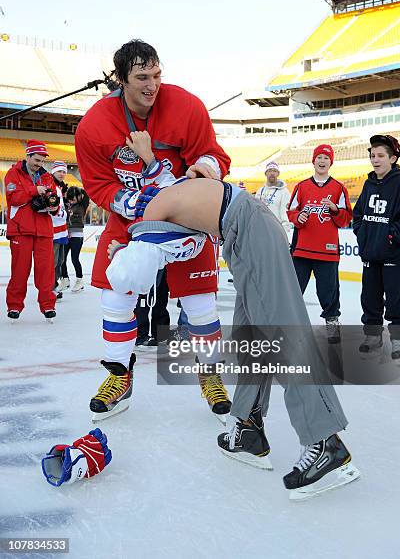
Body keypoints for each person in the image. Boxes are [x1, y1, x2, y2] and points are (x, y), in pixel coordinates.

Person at [106, 130, 360, 500]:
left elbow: (135, 273)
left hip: (248, 227)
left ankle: (326, 442)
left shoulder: (157, 203)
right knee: (253, 338)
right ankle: (248, 428)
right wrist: (146, 163)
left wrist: (122, 253)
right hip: (243, 231)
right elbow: (163, 194)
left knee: (281, 335)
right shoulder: (172, 189)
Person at [75, 39, 232, 422]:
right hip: (128, 221)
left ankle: (210, 375)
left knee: (200, 306)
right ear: (120, 80)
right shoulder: (94, 124)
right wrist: (136, 205)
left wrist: (205, 170)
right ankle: (119, 376)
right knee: (116, 298)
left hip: (185, 220)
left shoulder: (186, 105)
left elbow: (214, 155)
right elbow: (98, 185)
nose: (152, 85)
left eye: (157, 75)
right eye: (142, 77)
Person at [287, 144, 352, 343]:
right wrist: (300, 217)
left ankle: (332, 322)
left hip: (327, 251)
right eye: (319, 157)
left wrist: (334, 209)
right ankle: (291, 325)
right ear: (313, 161)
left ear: (331, 162)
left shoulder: (338, 188)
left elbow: (345, 219)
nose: (322, 161)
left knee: (329, 291)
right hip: (302, 250)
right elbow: (291, 212)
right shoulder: (302, 186)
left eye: (326, 158)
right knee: (294, 290)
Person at [353, 134, 400, 359]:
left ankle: (398, 340)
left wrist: (391, 237)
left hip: (394, 254)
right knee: (370, 298)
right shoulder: (368, 183)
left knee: (396, 300)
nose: (375, 159)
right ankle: (373, 336)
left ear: (393, 158)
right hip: (371, 253)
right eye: (372, 155)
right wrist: (362, 233)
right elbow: (358, 214)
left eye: (381, 156)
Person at [4, 140, 58, 320]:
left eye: (42, 161)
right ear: (27, 156)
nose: (39, 164)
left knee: (46, 271)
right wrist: (34, 190)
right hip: (21, 229)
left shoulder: (48, 177)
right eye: (36, 160)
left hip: (43, 229)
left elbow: (53, 199)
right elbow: (13, 198)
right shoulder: (13, 173)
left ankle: (48, 305)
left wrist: (53, 206)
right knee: (20, 271)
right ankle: (14, 306)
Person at [61, 186, 89, 293]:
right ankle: (65, 279)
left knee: (74, 259)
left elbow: (85, 194)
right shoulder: (67, 205)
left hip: (77, 235)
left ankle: (79, 281)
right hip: (66, 235)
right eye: (70, 198)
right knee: (62, 259)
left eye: (73, 198)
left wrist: (76, 191)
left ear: (77, 197)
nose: (71, 200)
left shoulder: (82, 205)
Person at [255, 161, 292, 238]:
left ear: (278, 174)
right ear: (266, 174)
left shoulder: (284, 192)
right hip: (261, 229)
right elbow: (255, 211)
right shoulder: (260, 191)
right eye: (269, 171)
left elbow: (285, 214)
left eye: (274, 171)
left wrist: (284, 234)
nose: (272, 173)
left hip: (276, 231)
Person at [50, 161, 69, 300]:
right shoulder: (51, 186)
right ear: (53, 172)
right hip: (54, 231)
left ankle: (54, 285)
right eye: (59, 171)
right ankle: (50, 288)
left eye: (64, 172)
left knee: (60, 260)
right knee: (53, 261)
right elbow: (52, 209)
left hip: (62, 230)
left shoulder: (60, 187)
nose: (62, 174)